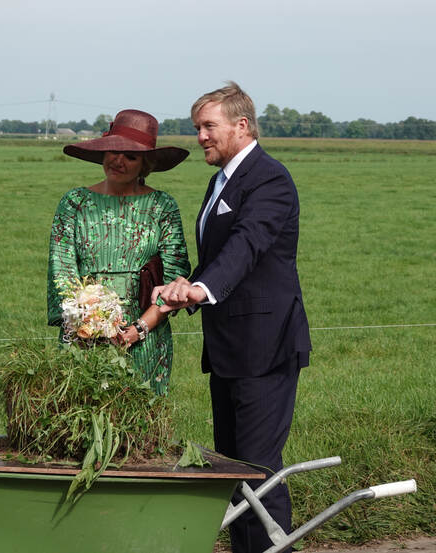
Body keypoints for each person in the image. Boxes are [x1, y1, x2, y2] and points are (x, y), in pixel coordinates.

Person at [153, 82, 312, 553]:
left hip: (265, 346)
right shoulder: (220, 179)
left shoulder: (269, 179)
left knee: (258, 470)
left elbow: (247, 243)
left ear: (242, 126)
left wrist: (201, 289)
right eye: (196, 127)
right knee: (232, 469)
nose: (200, 136)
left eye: (208, 126)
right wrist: (179, 292)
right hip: (227, 348)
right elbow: (220, 256)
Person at [47, 109, 191, 395]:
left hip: (145, 336)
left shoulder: (162, 206)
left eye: (131, 155)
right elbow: (61, 269)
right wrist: (88, 323)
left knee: (138, 424)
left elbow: (175, 278)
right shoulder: (74, 203)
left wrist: (139, 328)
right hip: (84, 336)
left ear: (146, 163)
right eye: (113, 151)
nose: (118, 160)